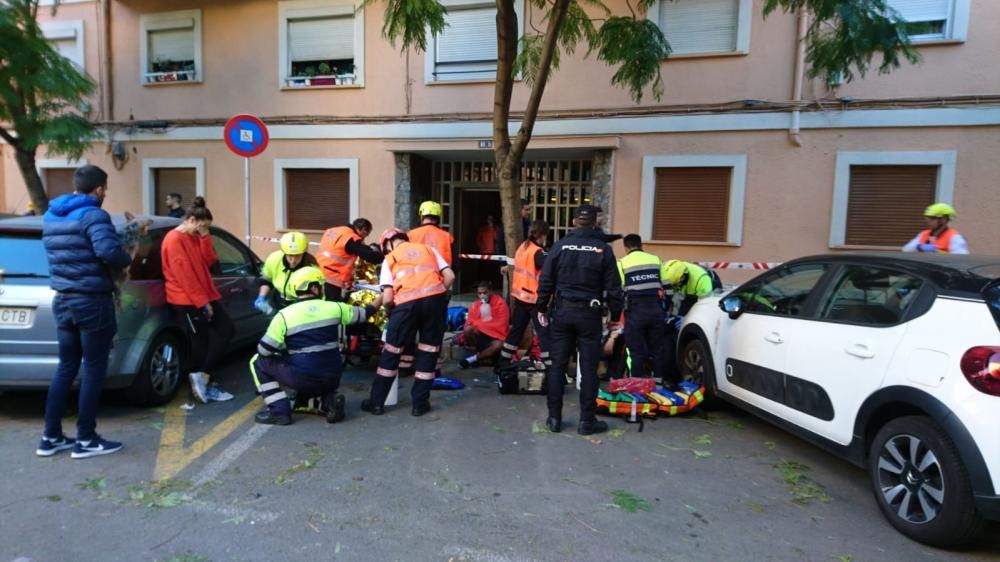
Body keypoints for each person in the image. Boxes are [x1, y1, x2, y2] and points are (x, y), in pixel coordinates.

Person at [37, 165, 132, 458]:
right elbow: (108, 252)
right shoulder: (93, 215)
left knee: (66, 367)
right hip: (92, 301)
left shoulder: (52, 215)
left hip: (63, 299)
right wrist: (125, 257)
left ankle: (51, 437)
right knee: (93, 368)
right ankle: (86, 439)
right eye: (105, 189)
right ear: (99, 189)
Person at [536, 204, 624, 435]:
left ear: (574, 222)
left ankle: (554, 418)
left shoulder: (560, 246)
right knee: (588, 368)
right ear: (595, 223)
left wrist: (541, 307)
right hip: (589, 315)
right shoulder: (602, 249)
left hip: (562, 313)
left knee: (557, 367)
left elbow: (545, 281)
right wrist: (615, 317)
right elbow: (615, 288)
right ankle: (587, 420)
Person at [249, 267, 377, 425]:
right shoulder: (334, 307)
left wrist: (284, 349)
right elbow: (364, 314)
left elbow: (264, 350)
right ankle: (329, 401)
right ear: (315, 287)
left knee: (259, 362)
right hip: (333, 376)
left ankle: (279, 411)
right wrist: (382, 298)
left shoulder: (284, 315)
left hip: (303, 377)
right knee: (307, 377)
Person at [362, 228, 455, 417]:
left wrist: (390, 311)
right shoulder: (428, 250)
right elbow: (450, 277)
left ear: (387, 245)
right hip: (435, 303)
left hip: (405, 307)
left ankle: (377, 402)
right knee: (429, 351)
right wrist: (436, 293)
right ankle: (419, 404)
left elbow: (387, 297)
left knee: (392, 352)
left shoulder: (390, 259)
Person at [161, 197, 235, 404]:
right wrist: (202, 302)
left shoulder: (194, 237)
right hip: (187, 299)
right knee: (200, 343)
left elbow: (210, 260)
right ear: (191, 220)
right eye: (201, 227)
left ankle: (203, 375)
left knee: (226, 331)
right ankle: (201, 378)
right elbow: (184, 275)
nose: (201, 231)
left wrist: (205, 237)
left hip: (202, 296)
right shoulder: (174, 240)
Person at [407, 201, 455, 375]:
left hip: (413, 289)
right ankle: (433, 368)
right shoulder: (447, 236)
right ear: (438, 217)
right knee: (434, 331)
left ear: (421, 215)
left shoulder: (411, 235)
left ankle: (406, 366)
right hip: (439, 289)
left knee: (411, 327)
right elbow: (454, 264)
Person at [617, 234, 671, 384]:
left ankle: (638, 385)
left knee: (636, 350)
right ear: (641, 245)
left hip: (635, 311)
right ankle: (658, 383)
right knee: (658, 348)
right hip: (656, 309)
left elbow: (618, 290)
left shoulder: (622, 263)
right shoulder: (655, 260)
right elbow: (668, 287)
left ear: (626, 248)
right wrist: (666, 309)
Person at [500, 219, 551, 367]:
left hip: (520, 297)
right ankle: (550, 367)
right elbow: (551, 267)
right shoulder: (537, 253)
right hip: (534, 300)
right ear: (541, 235)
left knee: (516, 331)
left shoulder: (523, 247)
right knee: (543, 333)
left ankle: (503, 362)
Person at [317, 218, 384, 301]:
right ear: (363, 230)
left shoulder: (333, 230)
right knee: (333, 306)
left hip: (318, 271)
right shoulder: (351, 238)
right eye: (366, 235)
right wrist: (383, 256)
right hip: (332, 276)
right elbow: (369, 256)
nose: (363, 239)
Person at [256, 231, 318, 314]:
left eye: (297, 255)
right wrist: (262, 296)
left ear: (304, 252)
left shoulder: (312, 268)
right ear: (283, 252)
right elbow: (266, 280)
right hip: (277, 300)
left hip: (300, 304)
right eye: (290, 255)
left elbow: (315, 295)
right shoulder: (274, 258)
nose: (293, 261)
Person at [459, 281, 509, 369]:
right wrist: (481, 325)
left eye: (485, 293)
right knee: (468, 330)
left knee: (498, 345)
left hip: (495, 336)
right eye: (480, 293)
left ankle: (472, 359)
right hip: (480, 336)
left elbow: (501, 324)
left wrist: (479, 324)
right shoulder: (475, 305)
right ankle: (474, 354)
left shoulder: (500, 303)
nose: (482, 295)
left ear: (491, 291)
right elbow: (469, 322)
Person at [902, 203, 969, 254]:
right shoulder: (923, 234)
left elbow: (960, 259)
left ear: (944, 220)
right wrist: (918, 247)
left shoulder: (955, 237)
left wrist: (938, 252)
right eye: (928, 218)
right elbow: (905, 249)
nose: (928, 221)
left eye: (932, 218)